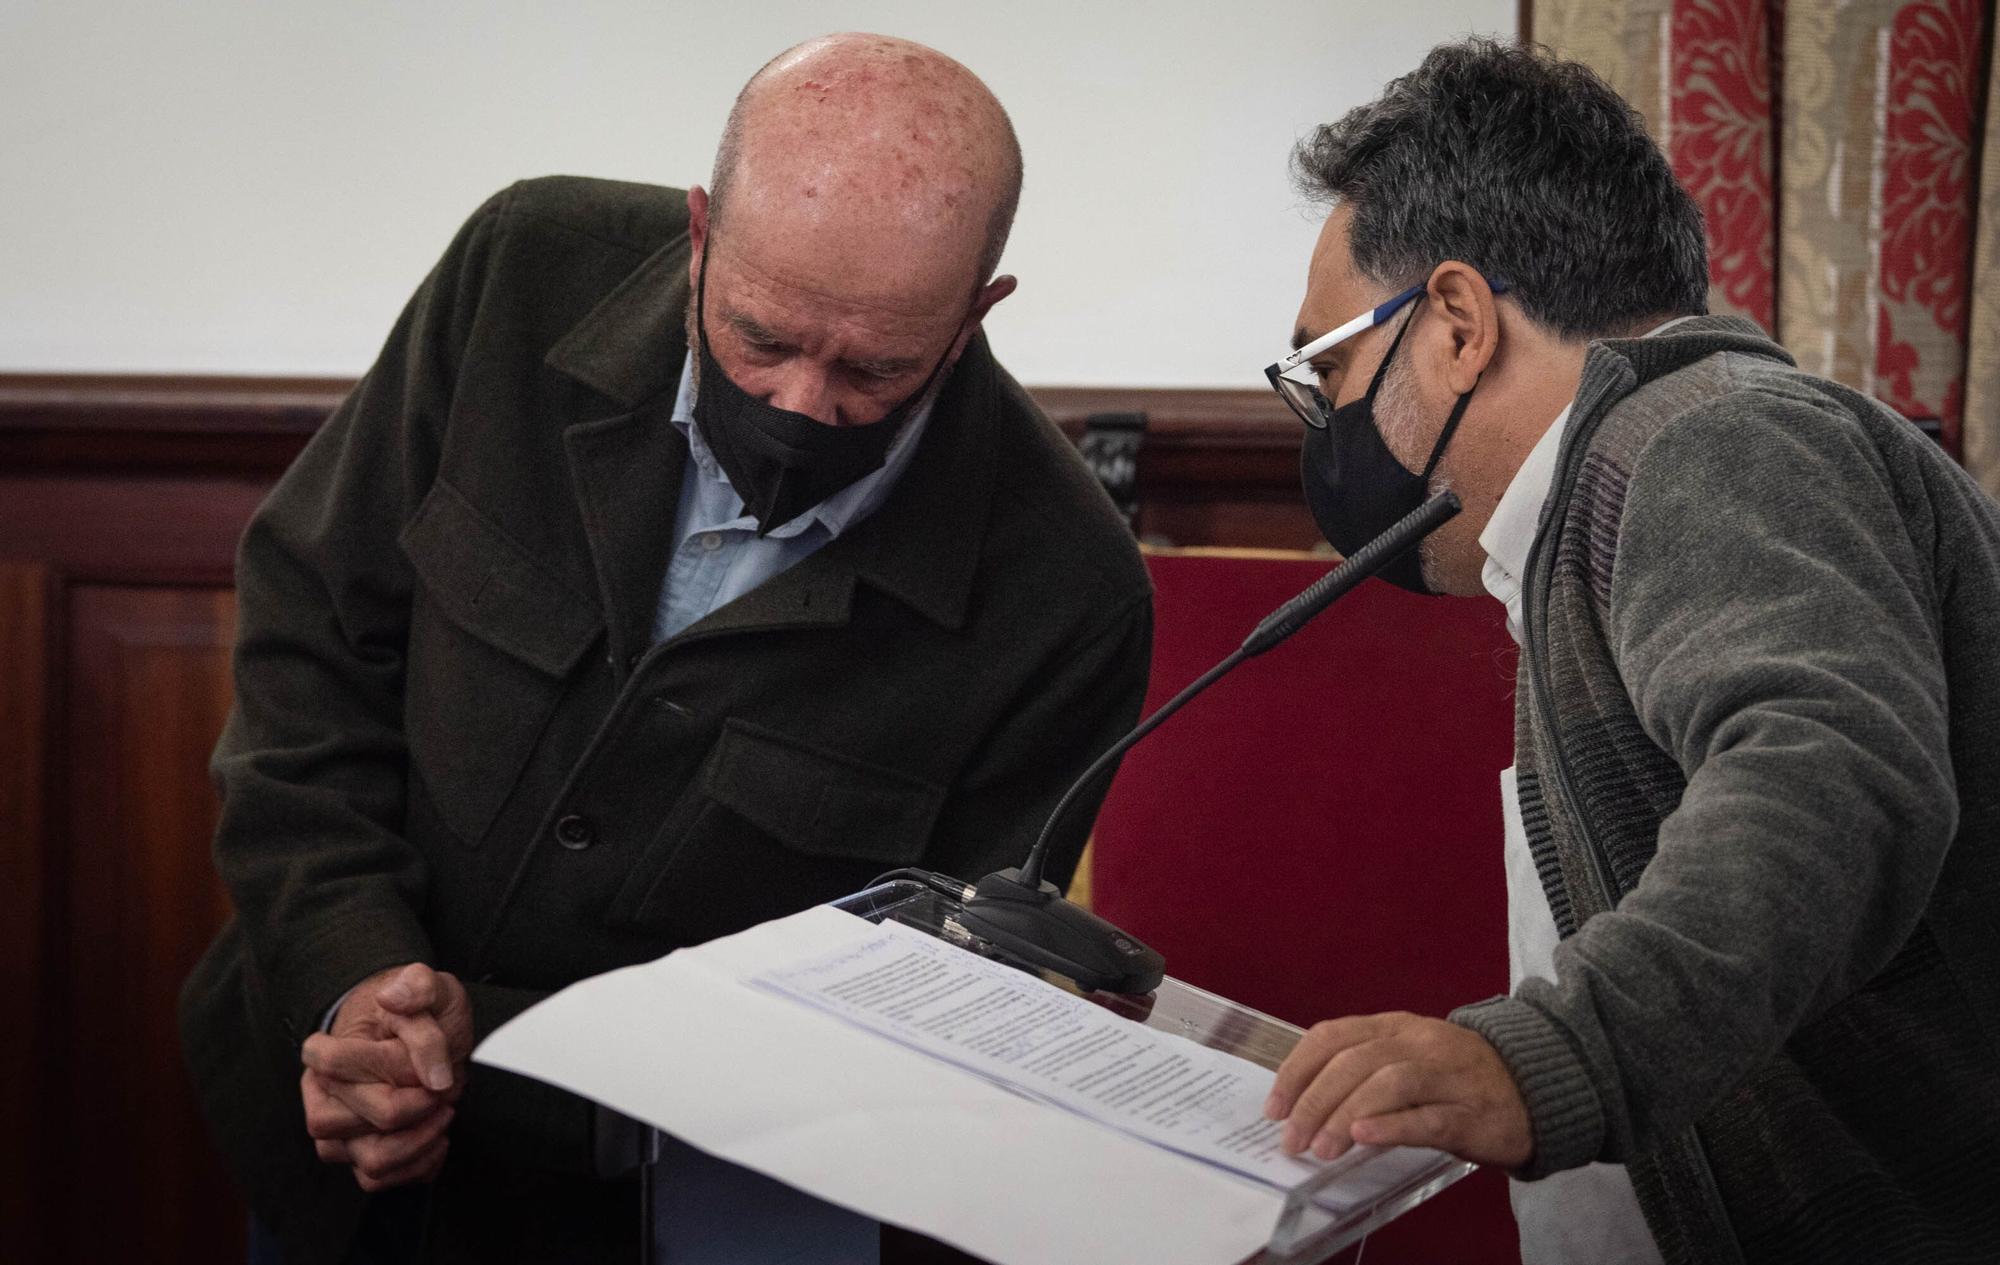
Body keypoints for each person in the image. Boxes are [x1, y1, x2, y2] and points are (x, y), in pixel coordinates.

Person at [179, 33, 1152, 1265]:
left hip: (661, 1216)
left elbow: (910, 1025)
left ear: (974, 317)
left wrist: (473, 1056)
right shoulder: (523, 271)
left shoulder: (1065, 594)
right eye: (760, 335)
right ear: (699, 233)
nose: (801, 402)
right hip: (324, 1110)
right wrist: (353, 973)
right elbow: (311, 639)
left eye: (875, 368)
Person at [1257, 39, 2000, 1265]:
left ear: (1453, 323)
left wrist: (1555, 1054)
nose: (1326, 415)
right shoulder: (1632, 471)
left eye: (1328, 362)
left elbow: (1830, 768)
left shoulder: (1703, 437)